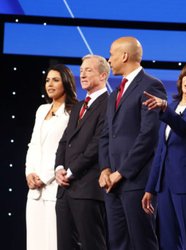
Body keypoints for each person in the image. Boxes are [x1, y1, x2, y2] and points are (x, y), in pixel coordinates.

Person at [98, 36, 166, 250]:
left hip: (136, 181)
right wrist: (106, 168)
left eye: (111, 54)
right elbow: (106, 135)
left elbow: (148, 136)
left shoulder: (151, 85)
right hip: (112, 184)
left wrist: (122, 172)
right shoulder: (114, 94)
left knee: (141, 241)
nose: (108, 60)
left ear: (124, 55)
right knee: (117, 242)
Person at [141, 61, 186, 250]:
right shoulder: (172, 105)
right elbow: (161, 151)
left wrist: (166, 110)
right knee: (167, 242)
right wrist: (150, 188)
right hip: (165, 187)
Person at [55, 54, 109, 250]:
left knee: (92, 244)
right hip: (65, 190)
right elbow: (64, 141)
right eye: (81, 71)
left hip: (88, 190)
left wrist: (71, 171)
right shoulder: (78, 105)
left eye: (88, 70)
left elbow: (97, 145)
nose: (83, 75)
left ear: (103, 75)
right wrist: (59, 168)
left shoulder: (109, 104)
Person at [25, 64, 77, 250]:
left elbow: (66, 150)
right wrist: (30, 173)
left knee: (53, 241)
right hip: (34, 189)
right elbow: (34, 145)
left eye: (55, 80)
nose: (50, 84)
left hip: (55, 185)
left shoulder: (73, 112)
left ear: (66, 82)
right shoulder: (41, 110)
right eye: (47, 80)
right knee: (34, 242)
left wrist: (45, 177)